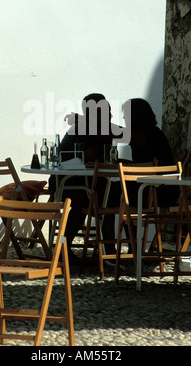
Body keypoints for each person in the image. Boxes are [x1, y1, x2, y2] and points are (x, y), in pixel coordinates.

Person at [49, 93, 122, 264]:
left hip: (89, 182)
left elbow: (119, 135)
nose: (111, 114)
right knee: (86, 201)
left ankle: (108, 251)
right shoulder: (78, 130)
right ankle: (65, 248)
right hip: (67, 183)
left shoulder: (99, 129)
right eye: (107, 110)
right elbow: (88, 156)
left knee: (110, 196)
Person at [103, 98, 179, 253]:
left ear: (135, 115)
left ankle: (111, 252)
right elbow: (143, 164)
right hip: (157, 187)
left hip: (157, 191)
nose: (124, 118)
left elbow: (115, 132)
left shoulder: (142, 134)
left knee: (107, 194)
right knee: (119, 192)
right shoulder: (152, 132)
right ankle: (131, 247)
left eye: (126, 114)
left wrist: (89, 120)